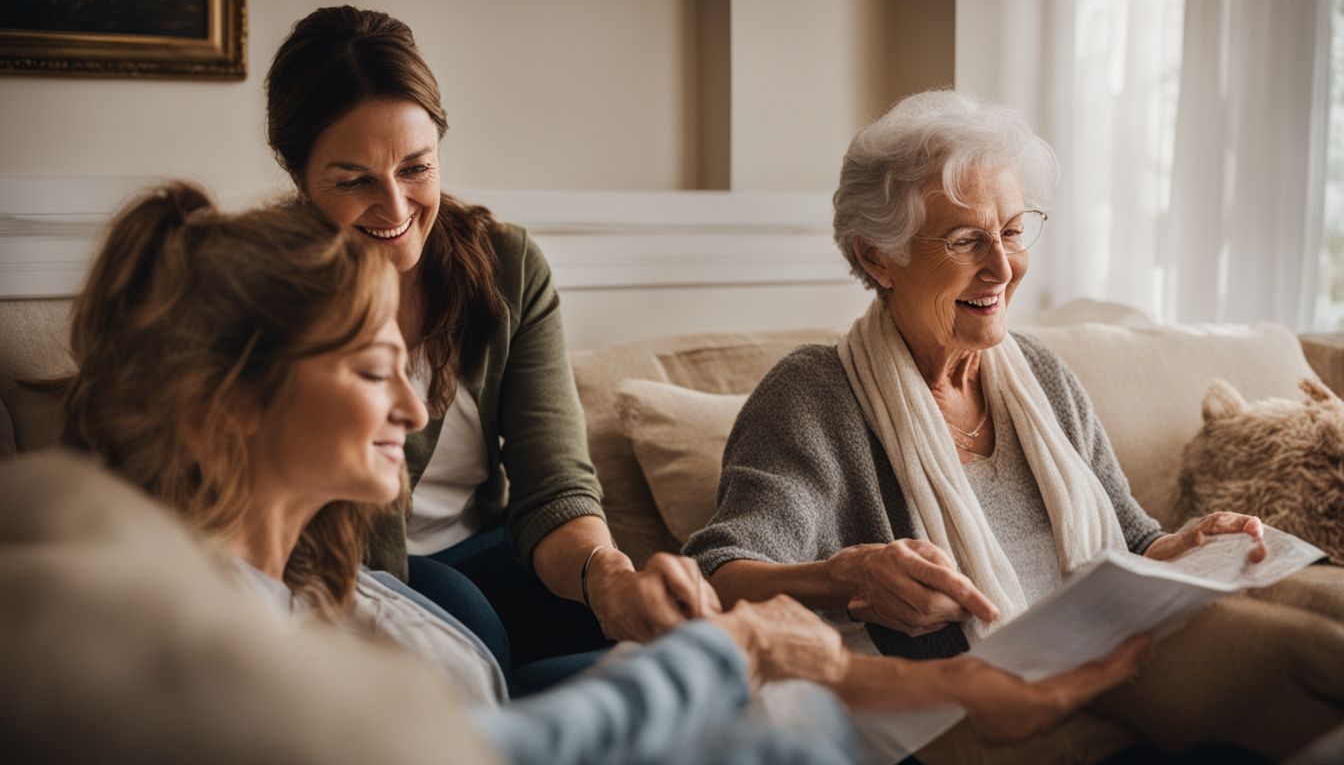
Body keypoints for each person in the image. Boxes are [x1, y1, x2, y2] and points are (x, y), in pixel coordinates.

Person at [53, 181, 1150, 764]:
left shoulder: (348, 597)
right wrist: (751, 639)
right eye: (372, 368)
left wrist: (917, 684)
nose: (417, 404)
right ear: (231, 397)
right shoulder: (189, 643)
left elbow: (560, 715)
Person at [684, 89, 1344, 759]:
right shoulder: (815, 396)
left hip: (1110, 681)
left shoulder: (1041, 375)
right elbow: (715, 575)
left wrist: (1187, 548)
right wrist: (846, 577)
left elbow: (1133, 537)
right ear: (877, 257)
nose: (1002, 268)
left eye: (1011, 230)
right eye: (966, 239)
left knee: (1312, 644)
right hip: (964, 718)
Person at [263, 5, 702, 672]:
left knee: (639, 644)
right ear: (297, 175)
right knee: (464, 621)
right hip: (339, 575)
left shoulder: (507, 268)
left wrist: (608, 575)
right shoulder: (256, 286)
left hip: (487, 554)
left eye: (416, 168)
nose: (396, 209)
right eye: (354, 181)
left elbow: (553, 487)